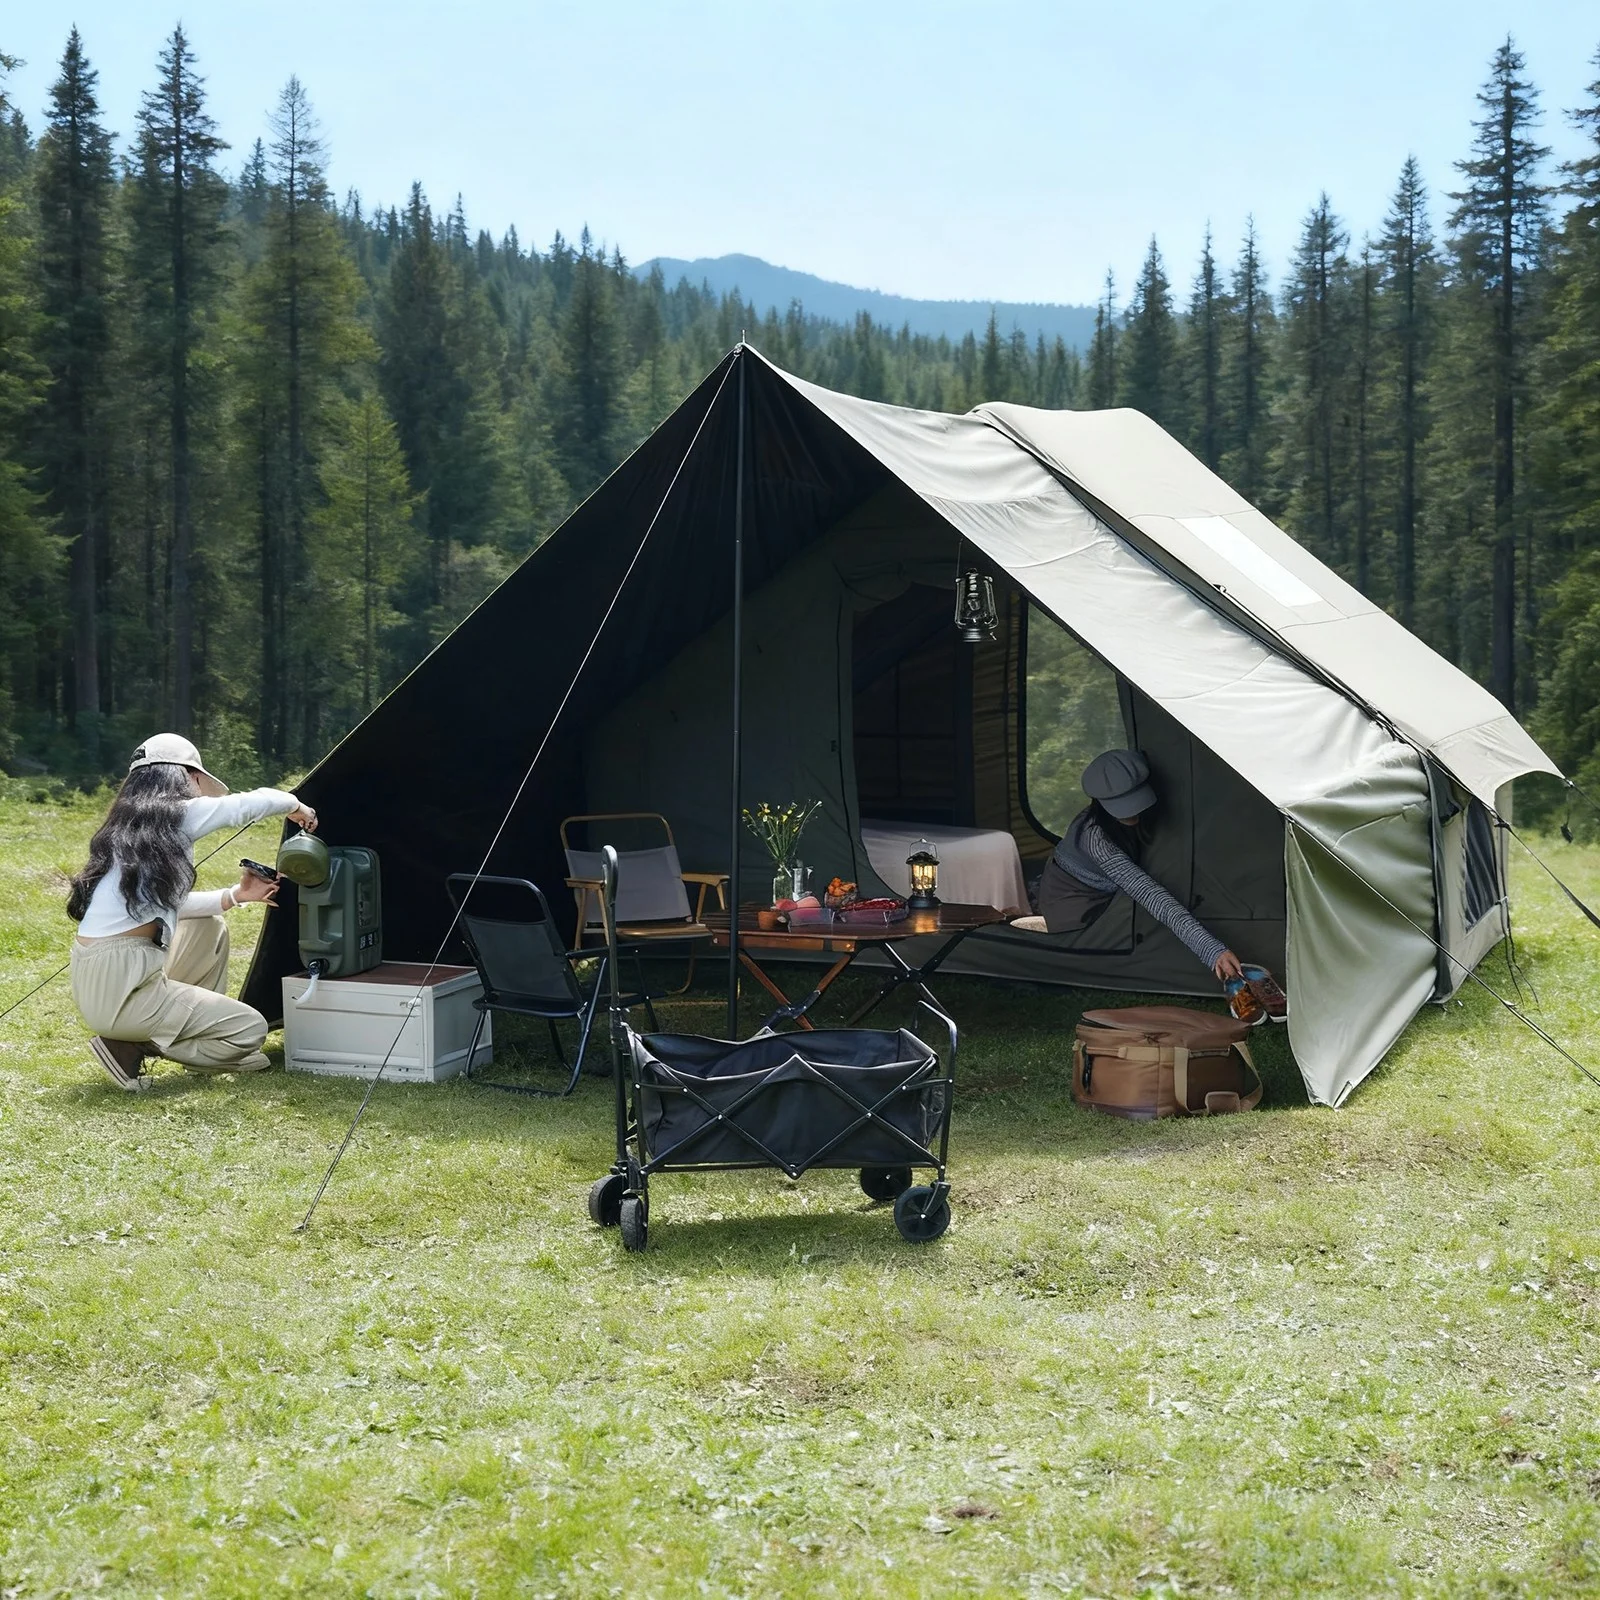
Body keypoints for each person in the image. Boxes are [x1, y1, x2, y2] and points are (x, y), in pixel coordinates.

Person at [66, 733, 318, 1092]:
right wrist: (297, 806)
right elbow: (247, 805)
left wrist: (237, 895)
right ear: (187, 776)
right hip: (125, 987)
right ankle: (130, 1043)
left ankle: (141, 1034)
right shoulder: (176, 816)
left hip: (101, 980)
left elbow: (164, 908)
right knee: (251, 1031)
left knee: (209, 925)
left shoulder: (124, 835)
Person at [1035, 749, 1245, 983]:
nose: (1133, 812)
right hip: (1071, 901)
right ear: (1100, 803)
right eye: (1122, 805)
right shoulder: (1097, 841)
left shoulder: (1139, 819)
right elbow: (1152, 897)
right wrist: (1213, 951)